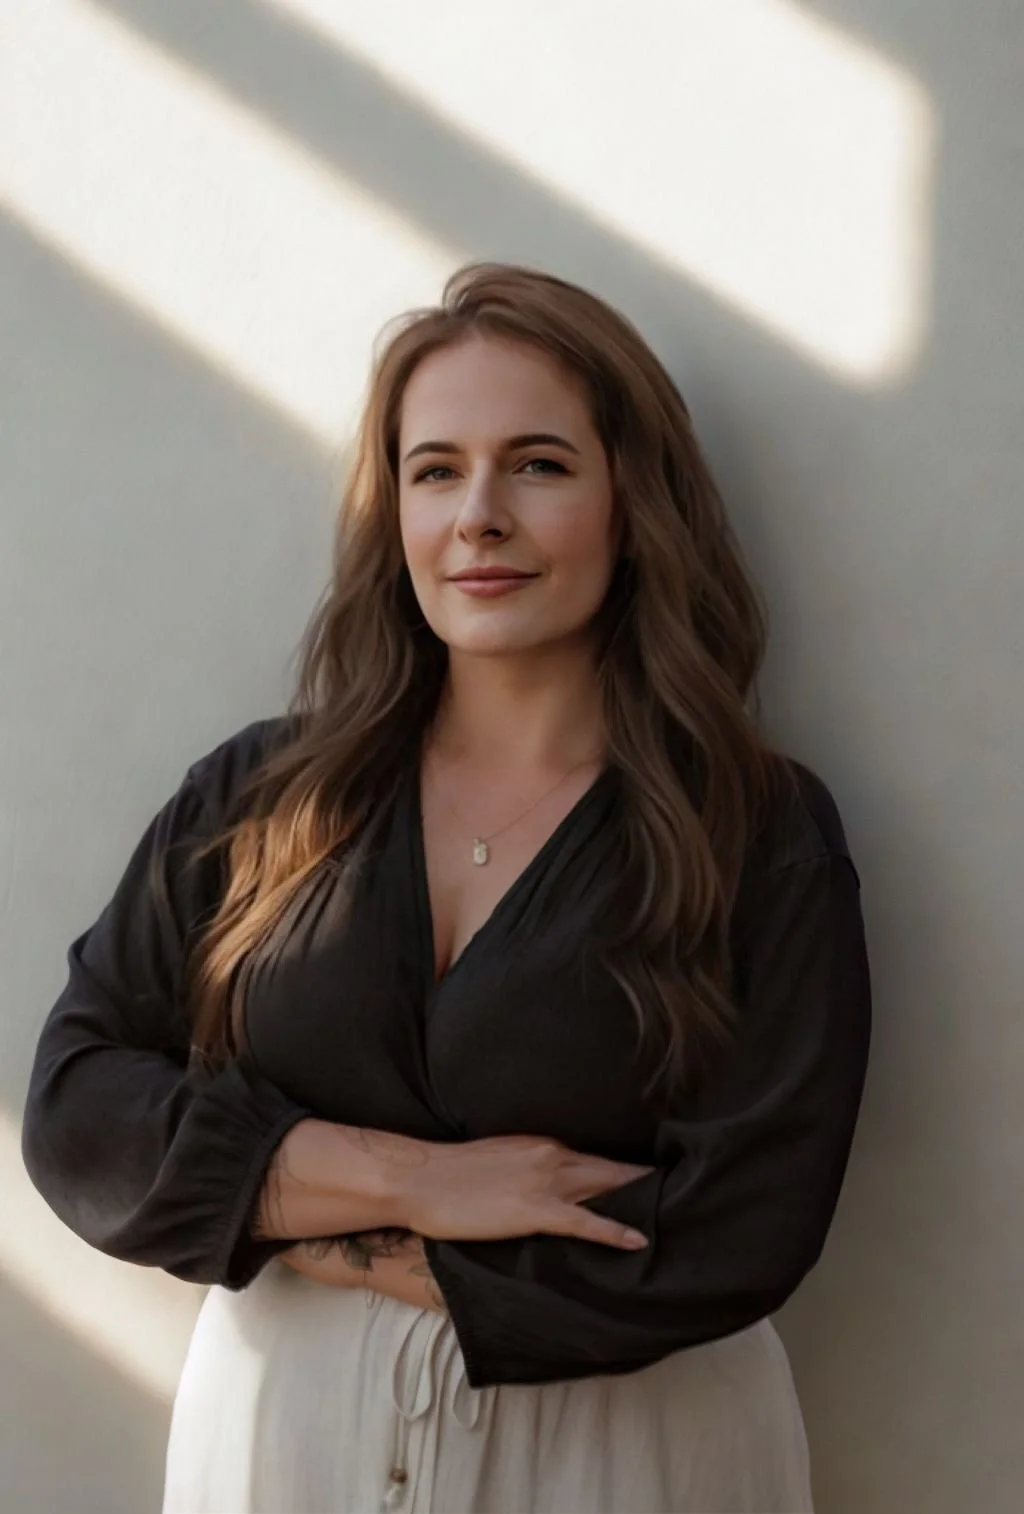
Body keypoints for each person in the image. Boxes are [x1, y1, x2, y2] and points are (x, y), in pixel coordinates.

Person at [20, 261, 872, 1514]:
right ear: (395, 511)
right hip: (280, 1446)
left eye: (537, 463)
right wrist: (416, 1180)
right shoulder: (261, 796)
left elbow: (740, 1225)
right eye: (436, 469)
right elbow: (80, 1110)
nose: (478, 515)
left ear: (631, 504)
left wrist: (288, 1215)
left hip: (623, 1457)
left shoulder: (753, 829)